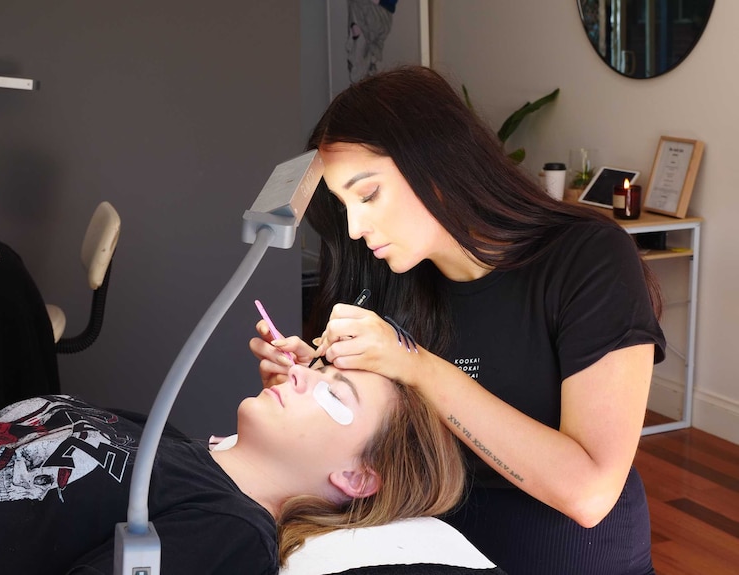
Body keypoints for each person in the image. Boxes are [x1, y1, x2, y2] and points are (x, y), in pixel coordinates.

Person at [251, 65, 667, 575]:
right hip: (430, 554)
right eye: (343, 205)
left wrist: (417, 367)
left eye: (368, 194)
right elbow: (359, 455)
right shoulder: (391, 284)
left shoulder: (589, 260)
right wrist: (305, 387)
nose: (356, 228)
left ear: (437, 162)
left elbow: (589, 492)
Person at [0, 360, 469, 574]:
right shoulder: (163, 435)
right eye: (318, 364)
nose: (302, 372)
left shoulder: (230, 532)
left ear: (358, 477)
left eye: (335, 393)